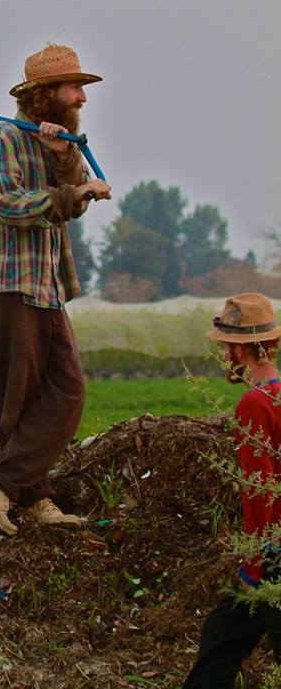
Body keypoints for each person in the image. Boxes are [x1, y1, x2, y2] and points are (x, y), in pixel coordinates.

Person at [0, 43, 111, 535]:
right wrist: (73, 193)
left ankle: (5, 482)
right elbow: (11, 204)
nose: (82, 99)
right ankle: (27, 495)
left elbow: (79, 192)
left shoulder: (55, 142)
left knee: (68, 392)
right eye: (75, 89)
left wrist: (64, 157)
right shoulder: (1, 140)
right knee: (18, 400)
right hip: (11, 285)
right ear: (46, 95)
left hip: (48, 287)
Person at [183, 292, 281, 688]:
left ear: (241, 350)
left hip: (274, 552)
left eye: (225, 345)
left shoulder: (255, 406)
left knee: (223, 640)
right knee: (222, 638)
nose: (223, 351)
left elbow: (261, 492)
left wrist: (258, 566)